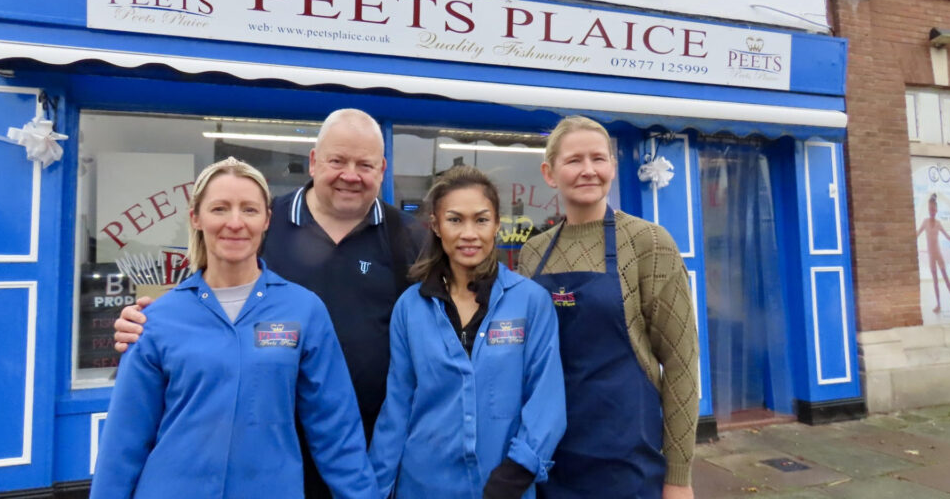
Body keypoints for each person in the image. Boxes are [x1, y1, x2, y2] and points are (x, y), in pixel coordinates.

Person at [113, 108, 424, 498]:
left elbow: (440, 328)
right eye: (338, 161)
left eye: (364, 165)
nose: (350, 174)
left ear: (381, 169)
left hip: (359, 448)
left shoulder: (409, 237)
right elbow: (203, 297)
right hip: (260, 450)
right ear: (313, 161)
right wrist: (143, 323)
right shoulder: (261, 224)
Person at [91, 157, 377, 499]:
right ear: (196, 217)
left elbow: (336, 430)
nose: (235, 223)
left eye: (250, 210)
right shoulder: (156, 320)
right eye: (220, 209)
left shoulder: (303, 310)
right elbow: (124, 440)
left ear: (267, 219)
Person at [515, 116, 699, 499]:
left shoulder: (649, 243)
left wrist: (679, 477)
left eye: (598, 159)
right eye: (574, 160)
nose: (588, 171)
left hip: (629, 458)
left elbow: (682, 364)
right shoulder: (534, 253)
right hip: (552, 456)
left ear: (613, 168)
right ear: (550, 173)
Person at [369, 165, 567, 499]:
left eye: (481, 219)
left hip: (505, 485)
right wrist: (376, 486)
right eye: (455, 219)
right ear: (435, 226)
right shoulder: (410, 307)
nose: (469, 233)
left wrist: (515, 474)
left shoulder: (530, 302)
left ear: (497, 225)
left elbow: (546, 399)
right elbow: (398, 405)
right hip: (423, 485)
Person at [917, 193, 950, 313]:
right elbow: (917, 233)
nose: (931, 210)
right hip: (931, 256)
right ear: (928, 209)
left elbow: (946, 235)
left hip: (938, 254)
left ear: (936, 210)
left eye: (933, 209)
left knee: (945, 278)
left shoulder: (938, 223)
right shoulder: (925, 222)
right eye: (930, 208)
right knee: (935, 281)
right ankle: (938, 304)